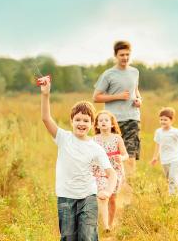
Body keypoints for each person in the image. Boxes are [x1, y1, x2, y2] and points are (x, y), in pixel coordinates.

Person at [39, 76, 118, 241]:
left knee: (87, 236)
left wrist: (108, 191)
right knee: (68, 237)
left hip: (88, 197)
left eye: (86, 120)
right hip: (65, 197)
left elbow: (112, 174)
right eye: (78, 120)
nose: (81, 123)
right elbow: (46, 119)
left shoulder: (96, 148)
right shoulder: (63, 137)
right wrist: (45, 94)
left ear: (92, 123)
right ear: (71, 121)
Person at [93, 41, 142, 177]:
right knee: (113, 157)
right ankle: (115, 187)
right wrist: (118, 96)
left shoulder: (135, 72)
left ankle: (131, 193)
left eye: (127, 54)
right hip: (113, 121)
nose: (125, 58)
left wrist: (139, 100)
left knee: (131, 156)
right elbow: (96, 97)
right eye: (122, 55)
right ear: (116, 55)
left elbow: (136, 91)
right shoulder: (108, 74)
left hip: (133, 119)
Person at [91, 110, 128, 232]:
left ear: (112, 124)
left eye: (106, 120)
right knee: (102, 196)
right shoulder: (93, 139)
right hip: (99, 171)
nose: (103, 122)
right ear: (96, 125)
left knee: (112, 198)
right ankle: (104, 224)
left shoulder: (117, 138)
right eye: (100, 120)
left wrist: (121, 158)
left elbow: (125, 154)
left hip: (115, 170)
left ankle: (110, 225)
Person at [150, 107, 178, 195]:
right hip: (164, 159)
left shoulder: (176, 132)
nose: (162, 121)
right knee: (169, 179)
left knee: (172, 177)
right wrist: (155, 157)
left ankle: (172, 196)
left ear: (171, 120)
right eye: (161, 119)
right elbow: (157, 145)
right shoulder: (158, 132)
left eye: (165, 120)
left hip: (175, 159)